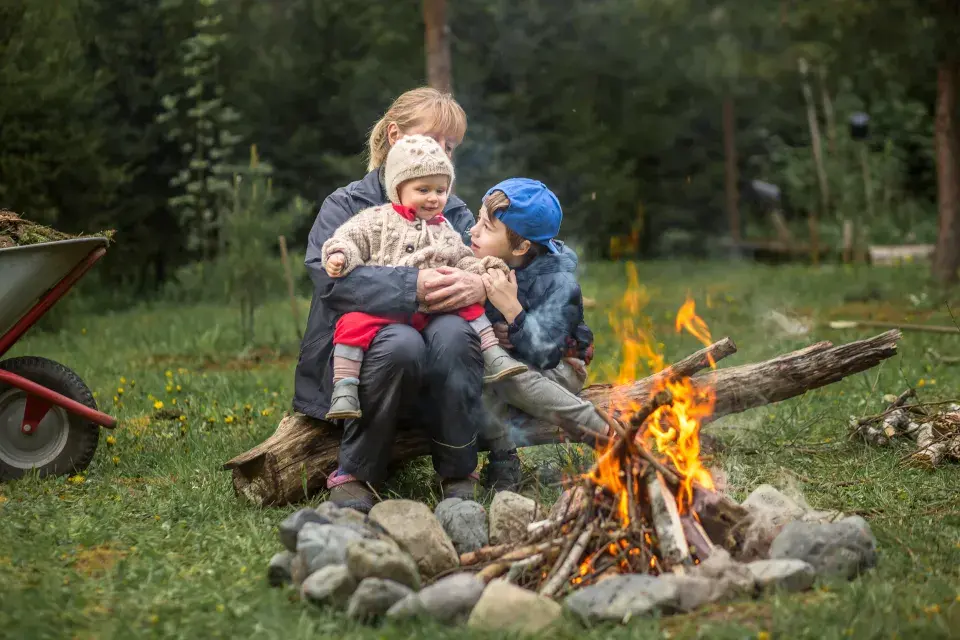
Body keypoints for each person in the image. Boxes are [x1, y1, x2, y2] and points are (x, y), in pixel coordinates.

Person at [294, 88, 489, 512]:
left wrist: (479, 285)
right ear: (396, 136)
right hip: (357, 357)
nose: (442, 153)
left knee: (456, 333)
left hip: (435, 349)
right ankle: (359, 471)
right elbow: (330, 280)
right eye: (433, 140)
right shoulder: (345, 204)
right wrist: (412, 285)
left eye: (450, 147)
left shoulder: (451, 209)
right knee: (401, 343)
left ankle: (458, 468)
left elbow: (480, 262)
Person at [321, 134, 526, 420]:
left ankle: (493, 355)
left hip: (432, 310)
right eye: (423, 189)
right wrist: (340, 256)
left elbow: (464, 258)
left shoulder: (445, 230)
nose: (434, 198)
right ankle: (344, 389)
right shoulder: (375, 219)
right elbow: (350, 239)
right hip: (388, 308)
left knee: (469, 308)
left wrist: (483, 272)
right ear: (398, 189)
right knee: (351, 325)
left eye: (441, 191)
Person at [469, 178, 609, 488]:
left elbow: (546, 354)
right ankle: (503, 457)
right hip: (510, 362)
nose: (473, 231)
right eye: (478, 219)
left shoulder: (559, 282)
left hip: (560, 367)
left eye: (487, 227)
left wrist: (513, 313)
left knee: (501, 376)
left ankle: (600, 430)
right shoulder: (485, 263)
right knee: (482, 370)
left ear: (521, 246)